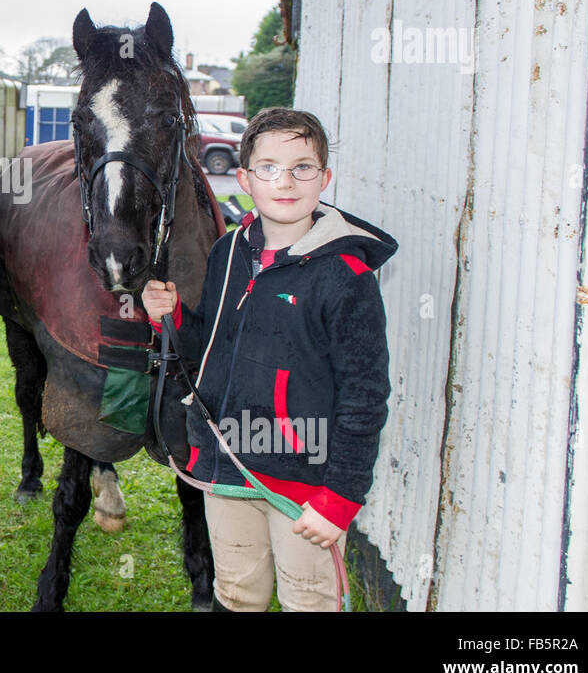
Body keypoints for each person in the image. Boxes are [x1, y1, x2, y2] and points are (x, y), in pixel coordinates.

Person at [142, 107, 397, 612]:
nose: (286, 180)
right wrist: (168, 319)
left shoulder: (346, 277)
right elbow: (209, 350)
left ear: (325, 178)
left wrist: (340, 499)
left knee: (310, 602)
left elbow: (365, 398)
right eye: (268, 167)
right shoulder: (228, 252)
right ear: (244, 178)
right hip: (227, 466)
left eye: (303, 167)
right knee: (236, 594)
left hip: (305, 487)